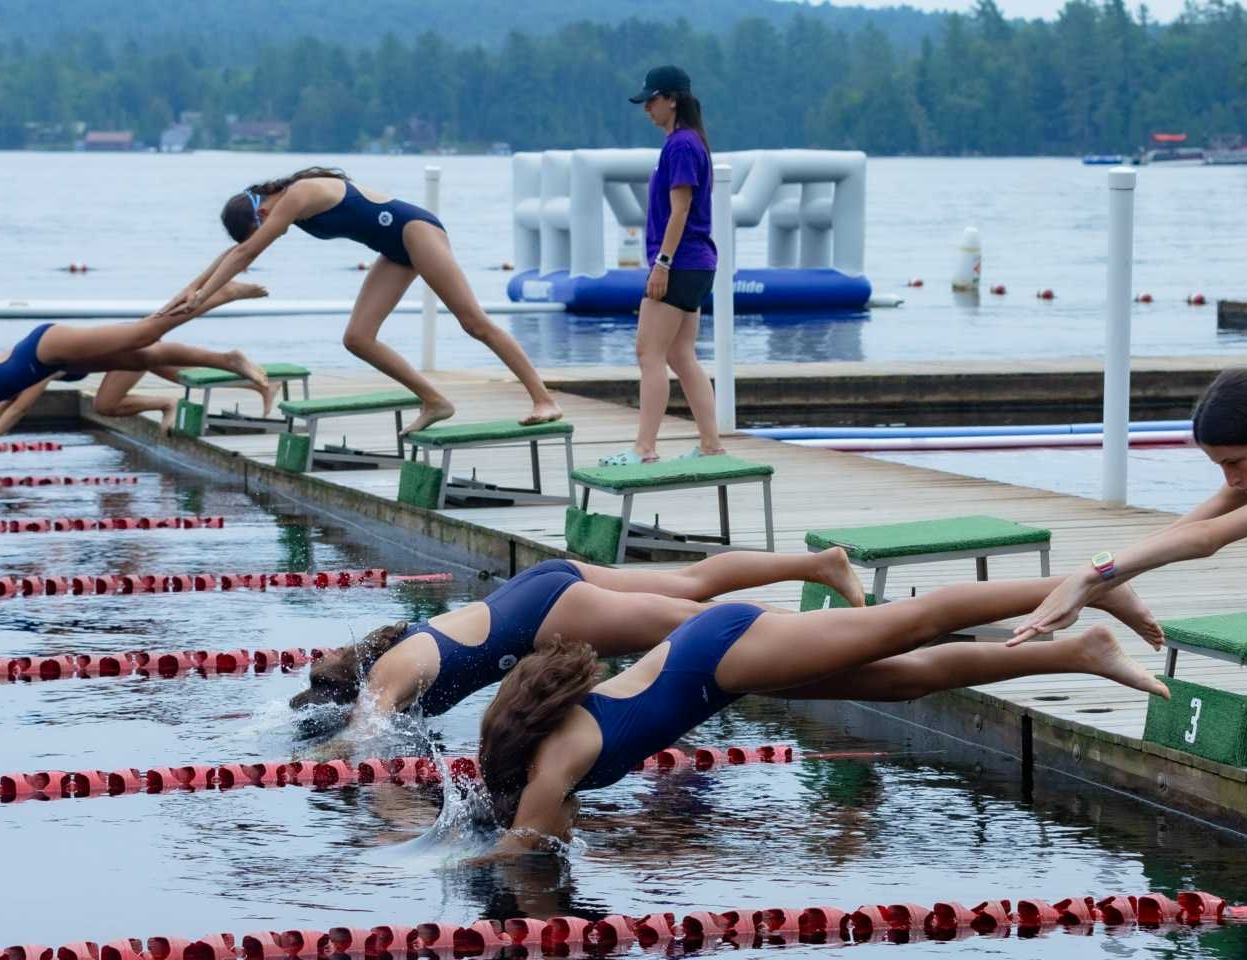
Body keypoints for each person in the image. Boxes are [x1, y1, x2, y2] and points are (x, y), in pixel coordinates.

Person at [477, 576, 1169, 851]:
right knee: (905, 682)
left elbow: (526, 851)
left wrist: (430, 872)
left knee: (912, 621)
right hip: (719, 669)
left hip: (725, 649)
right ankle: (1079, 651)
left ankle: (1093, 589)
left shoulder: (547, 775)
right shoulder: (544, 751)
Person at [163, 167, 562, 436]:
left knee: (473, 323)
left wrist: (202, 294)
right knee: (357, 338)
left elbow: (244, 255)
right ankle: (435, 400)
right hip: (393, 250)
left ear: (260, 206)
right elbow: (241, 251)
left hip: (415, 231)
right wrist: (192, 288)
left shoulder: (298, 194)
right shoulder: (278, 207)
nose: (268, 229)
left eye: (262, 223)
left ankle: (544, 400)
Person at [289, 548, 866, 727]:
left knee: (700, 622)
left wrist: (329, 750)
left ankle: (825, 632)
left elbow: (368, 727)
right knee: (688, 586)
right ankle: (819, 565)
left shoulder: (390, 674)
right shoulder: (392, 649)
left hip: (547, 615)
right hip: (537, 587)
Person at [1014, 367, 1247, 644]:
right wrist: (1101, 581)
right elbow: (1180, 533)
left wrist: (1090, 574)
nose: (1231, 480)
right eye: (1221, 466)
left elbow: (1207, 537)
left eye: (1235, 463)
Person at [0, 282, 269, 477]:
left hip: (46, 347)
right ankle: (229, 360)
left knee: (144, 335)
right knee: (147, 353)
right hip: (48, 358)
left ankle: (222, 294)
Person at [600, 66, 723, 466]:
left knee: (647, 353)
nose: (647, 108)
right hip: (697, 263)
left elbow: (681, 208)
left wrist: (662, 264)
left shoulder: (682, 145)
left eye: (652, 100)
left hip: (681, 262)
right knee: (681, 355)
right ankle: (710, 445)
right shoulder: (686, 143)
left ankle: (644, 448)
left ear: (672, 99)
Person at [0, 363, 277, 460]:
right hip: (122, 346)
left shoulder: (34, 368)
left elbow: (20, 408)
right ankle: (258, 385)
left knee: (105, 405)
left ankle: (167, 403)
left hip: (125, 351)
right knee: (185, 374)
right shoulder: (18, 369)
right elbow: (6, 401)